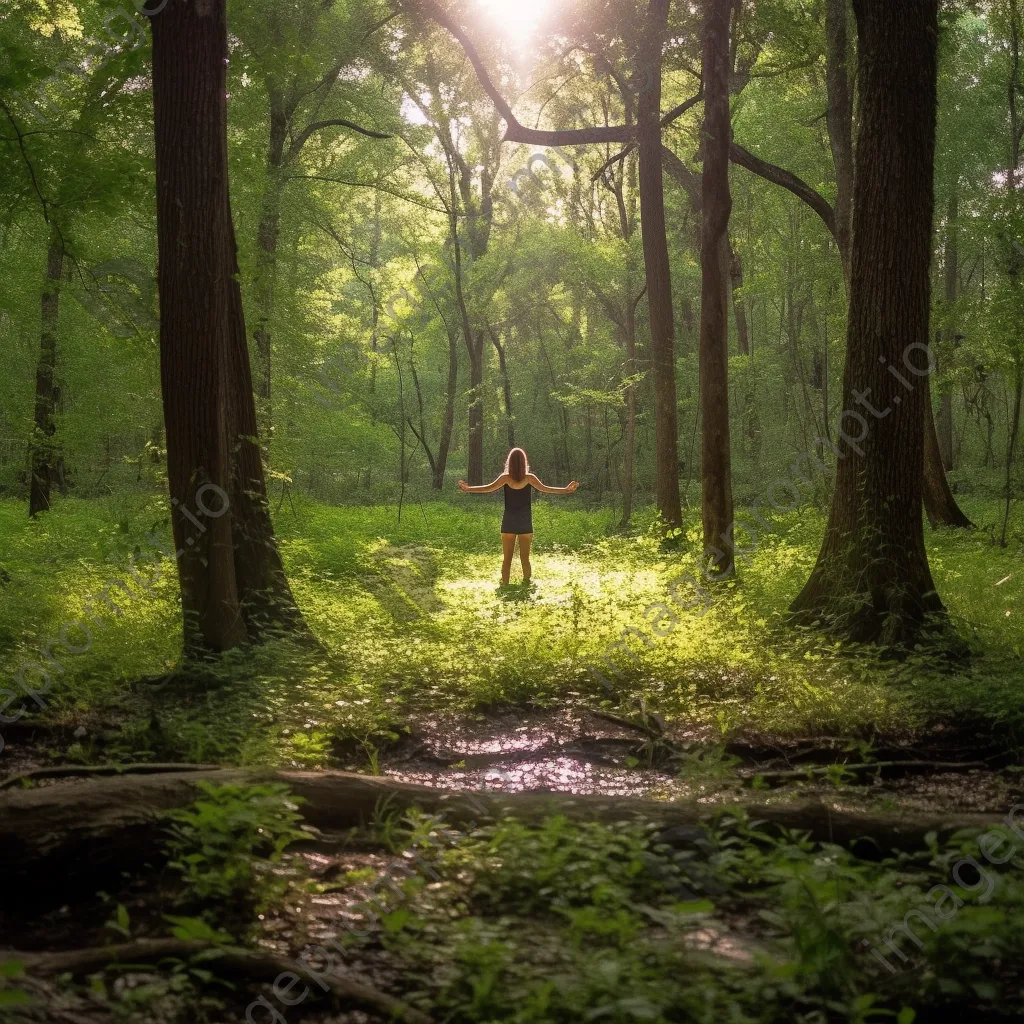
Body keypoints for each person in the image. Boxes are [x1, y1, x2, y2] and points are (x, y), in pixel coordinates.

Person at [458, 448, 578, 586]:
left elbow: (487, 488)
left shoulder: (505, 478)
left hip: (509, 521)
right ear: (524, 462)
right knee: (525, 559)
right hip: (525, 522)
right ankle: (526, 584)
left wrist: (468, 489)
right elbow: (547, 489)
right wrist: (566, 490)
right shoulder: (530, 478)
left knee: (507, 559)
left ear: (509, 462)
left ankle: (504, 585)